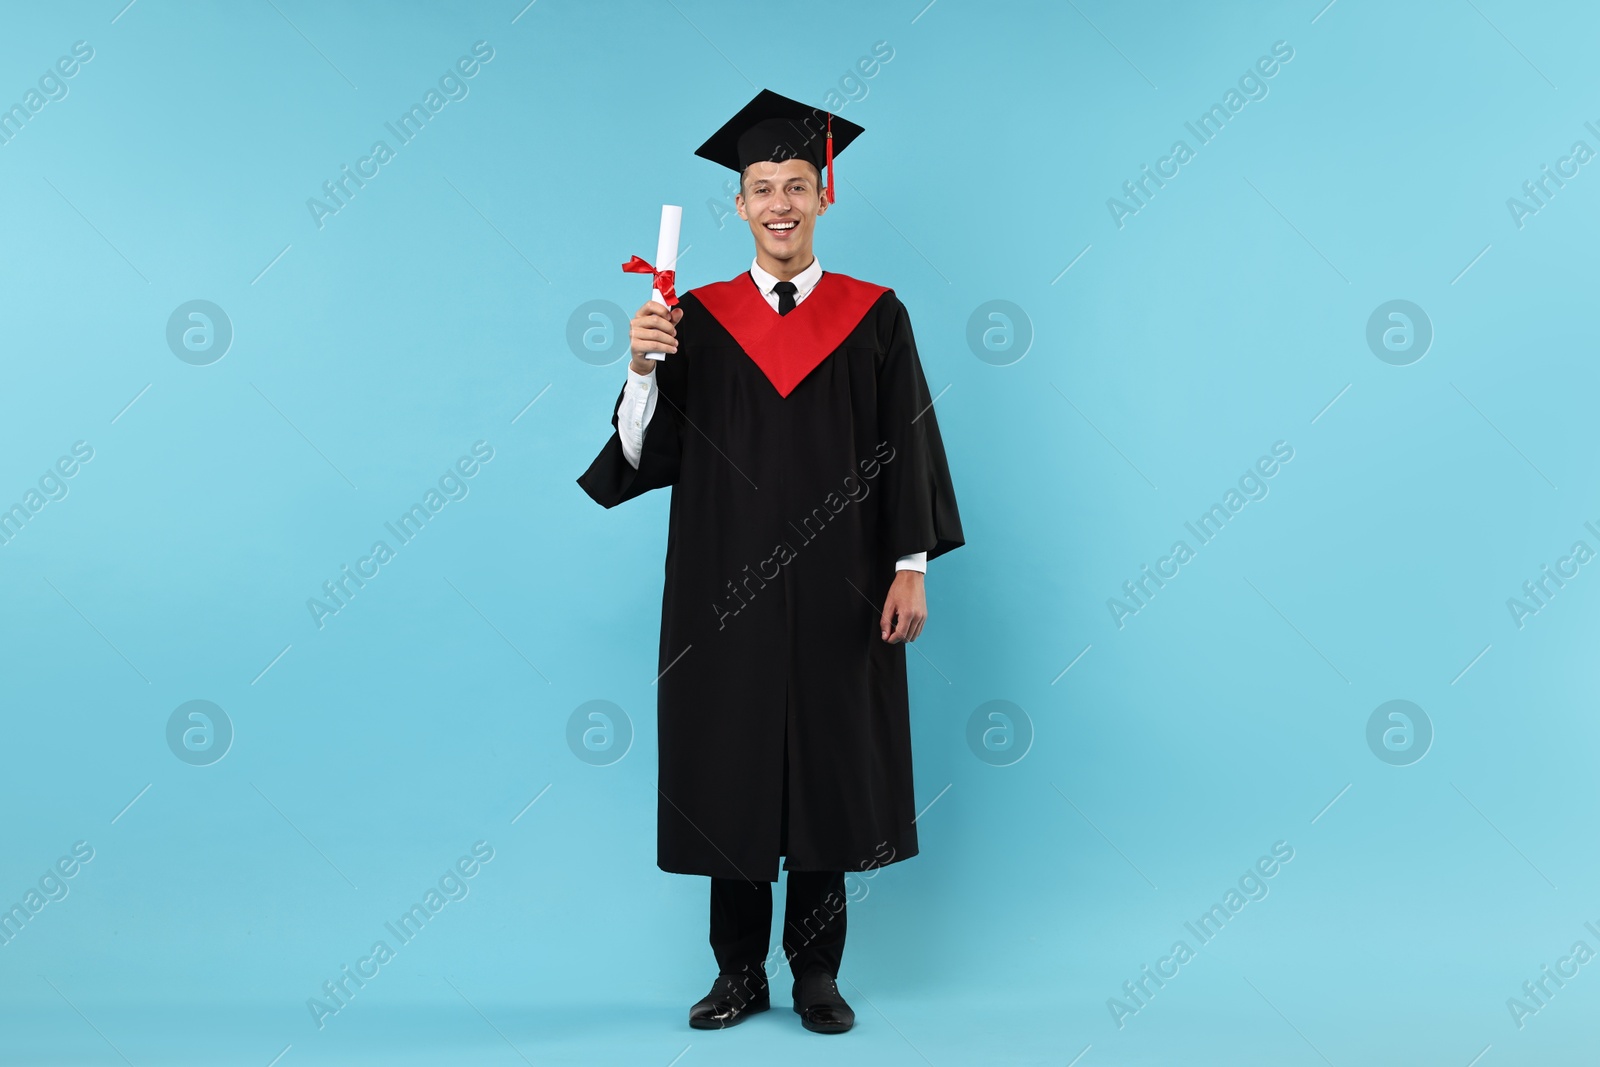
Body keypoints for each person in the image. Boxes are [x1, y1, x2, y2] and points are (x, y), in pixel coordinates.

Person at [577, 89, 963, 1035]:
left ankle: (817, 978)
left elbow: (907, 443)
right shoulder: (693, 321)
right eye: (761, 187)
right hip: (726, 585)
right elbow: (638, 457)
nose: (780, 201)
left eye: (797, 182)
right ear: (740, 207)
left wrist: (909, 563)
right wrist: (638, 368)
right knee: (733, 767)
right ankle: (738, 973)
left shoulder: (874, 316)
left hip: (845, 583)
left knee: (828, 771)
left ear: (823, 196)